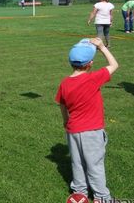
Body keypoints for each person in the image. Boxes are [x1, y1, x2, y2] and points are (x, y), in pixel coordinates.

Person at [55, 37, 118, 202]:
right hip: (92, 132)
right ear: (90, 64)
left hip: (73, 130)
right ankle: (102, 197)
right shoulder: (92, 78)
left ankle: (79, 193)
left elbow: (62, 105)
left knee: (77, 163)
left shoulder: (64, 83)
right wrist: (102, 48)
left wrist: (65, 121)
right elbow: (114, 65)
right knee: (95, 165)